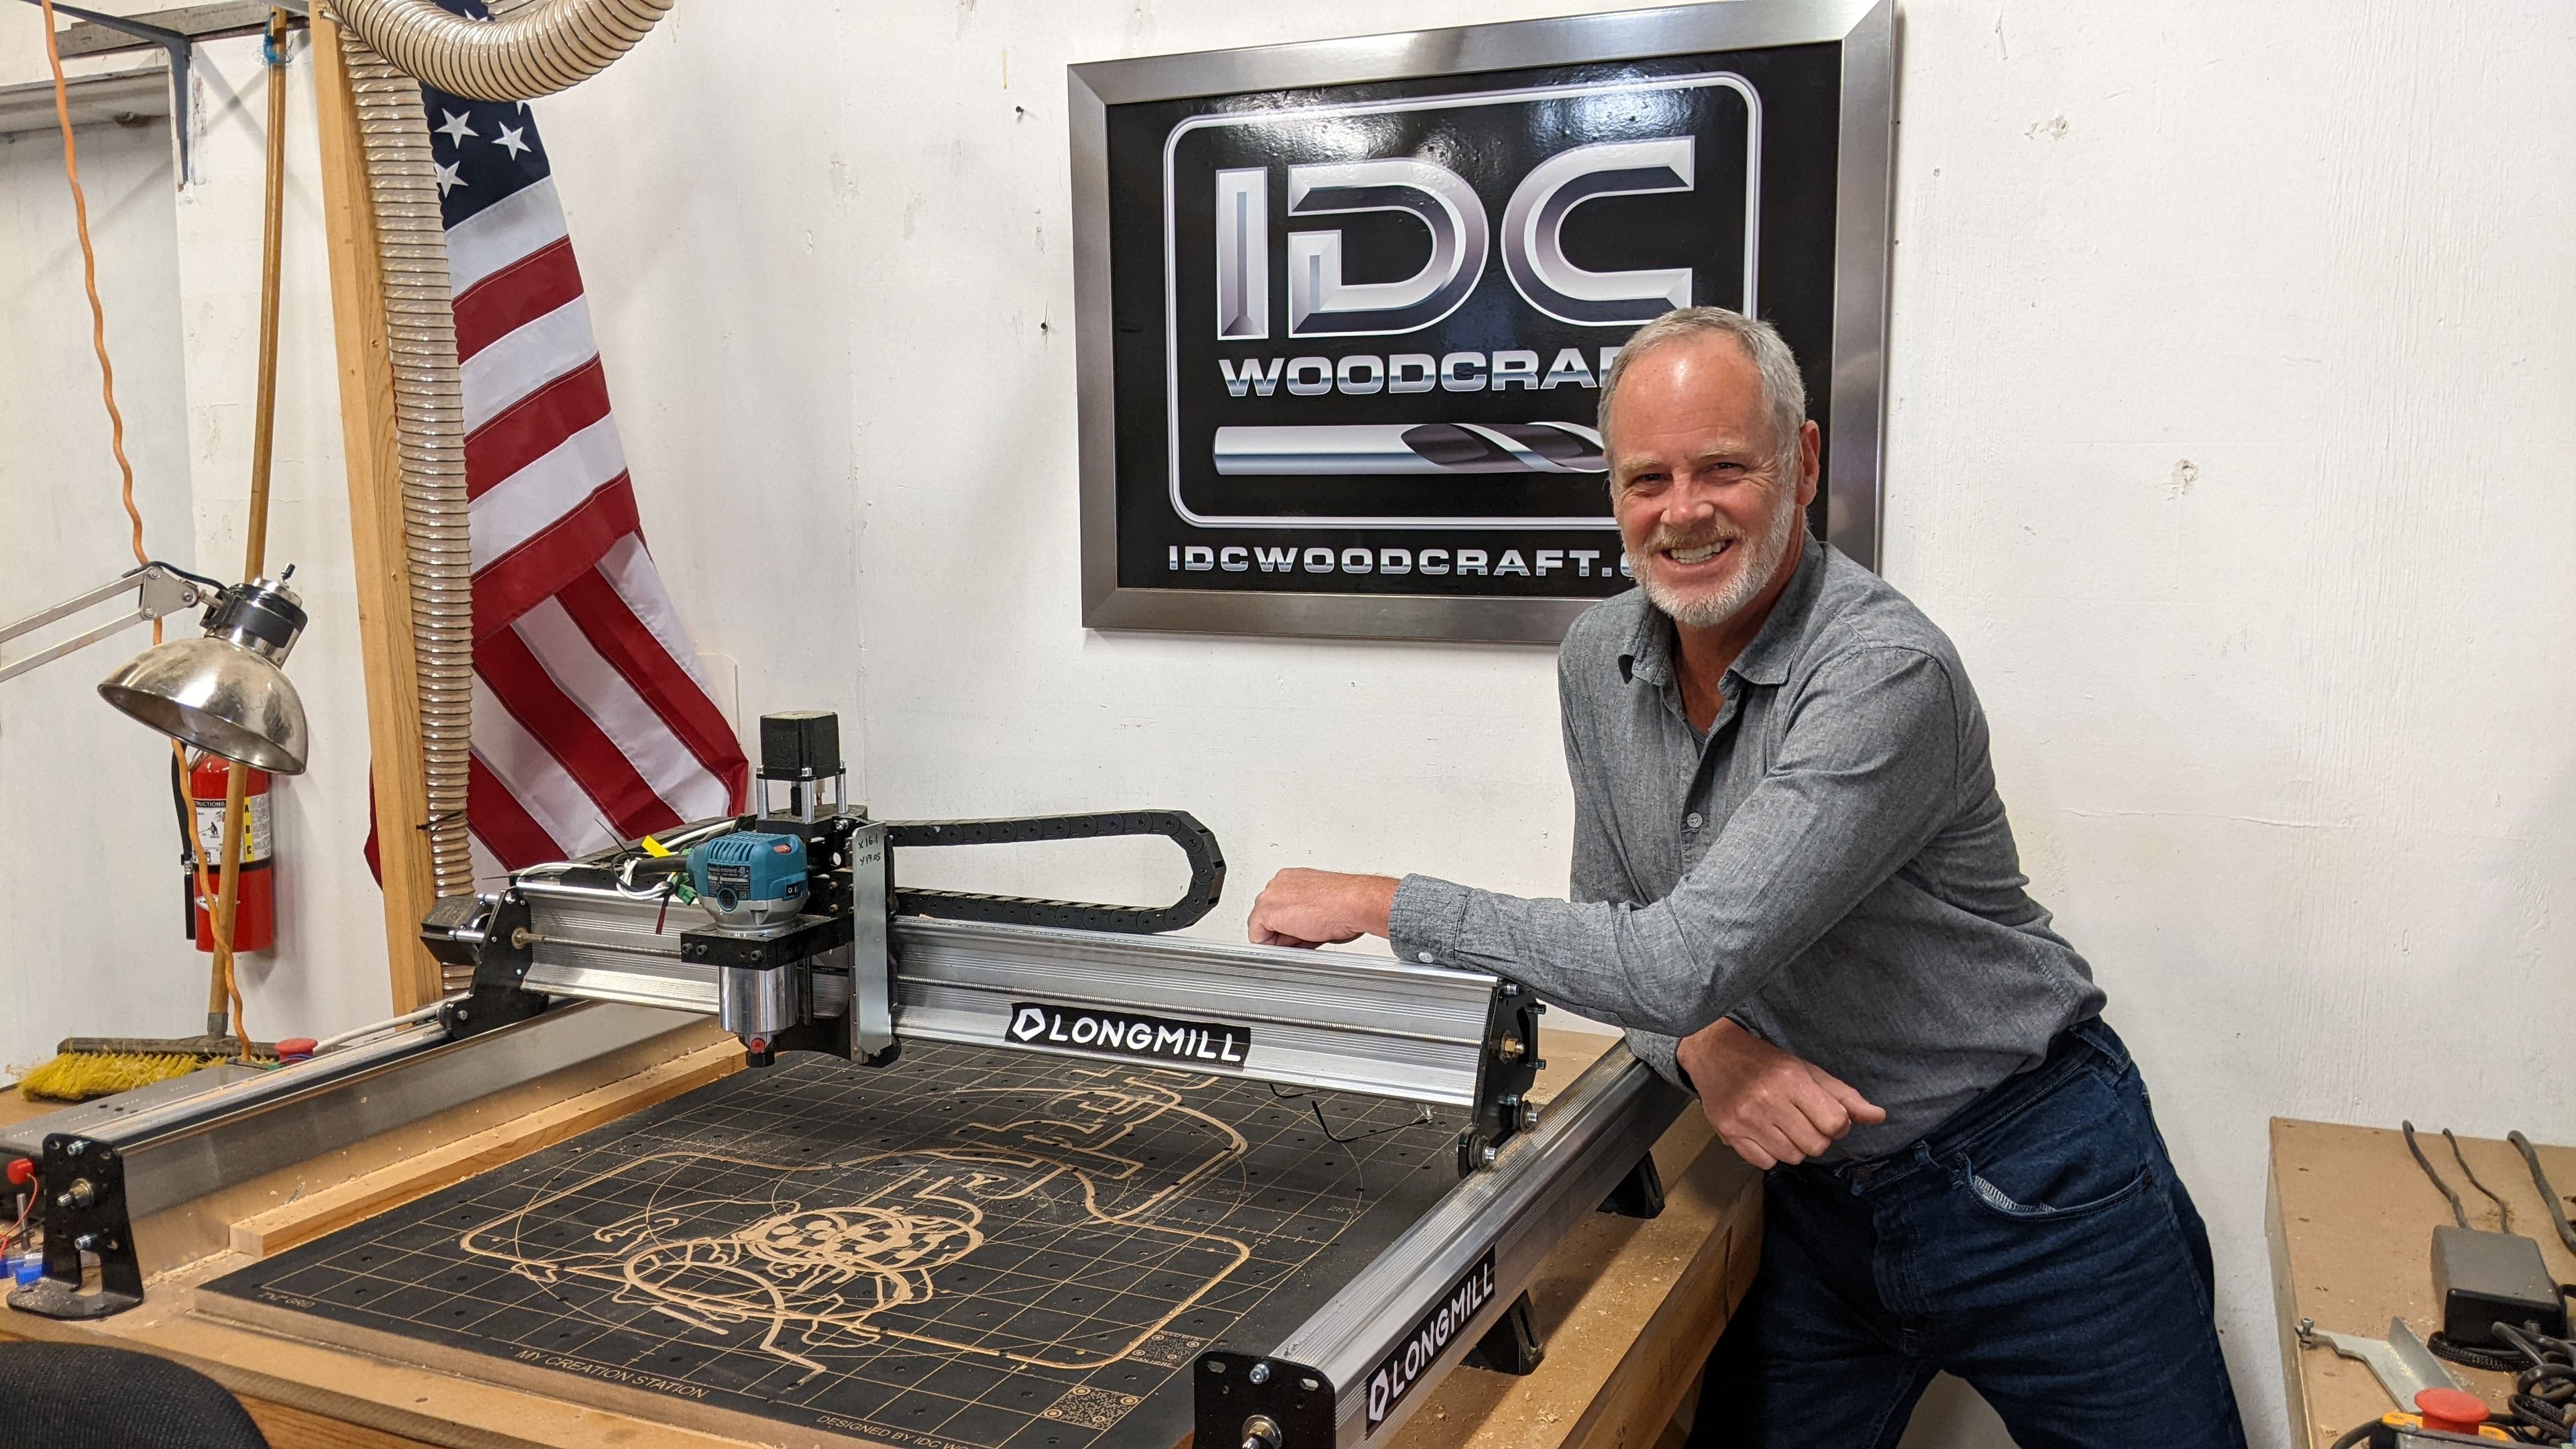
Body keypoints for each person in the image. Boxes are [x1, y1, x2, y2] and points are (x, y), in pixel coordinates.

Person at [1244, 308, 2246, 1446]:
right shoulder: (1599, 659)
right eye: (1646, 478)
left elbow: (1674, 961)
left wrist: (1385, 904)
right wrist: (1709, 1048)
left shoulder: (1881, 672)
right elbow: (1617, 934)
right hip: (1815, 1202)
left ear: (1804, 463)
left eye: (1725, 468)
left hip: (2032, 1185)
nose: (1683, 513)